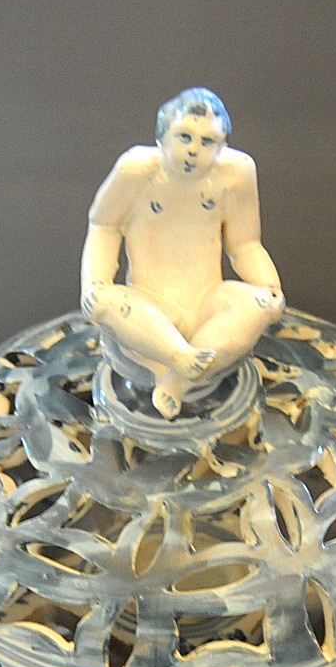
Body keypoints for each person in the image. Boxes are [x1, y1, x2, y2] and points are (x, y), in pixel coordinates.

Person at [81, 88, 284, 419]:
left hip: (207, 299)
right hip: (148, 305)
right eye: (184, 137)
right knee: (108, 304)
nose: (193, 150)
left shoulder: (236, 173)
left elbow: (245, 244)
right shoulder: (136, 170)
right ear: (162, 138)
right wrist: (95, 284)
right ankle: (176, 355)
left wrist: (269, 286)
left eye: (207, 142)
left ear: (222, 145)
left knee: (258, 304)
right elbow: (103, 226)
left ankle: (177, 381)